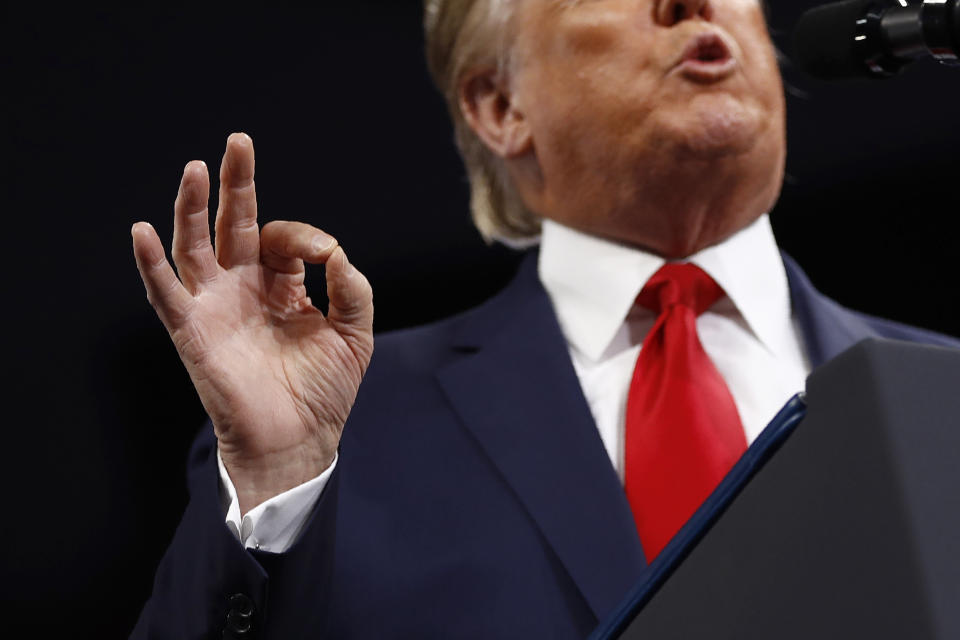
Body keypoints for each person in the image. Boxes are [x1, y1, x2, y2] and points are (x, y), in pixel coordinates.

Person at [130, 0, 960, 638]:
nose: (691, 2)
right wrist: (278, 486)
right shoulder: (339, 435)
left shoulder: (943, 404)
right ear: (500, 105)